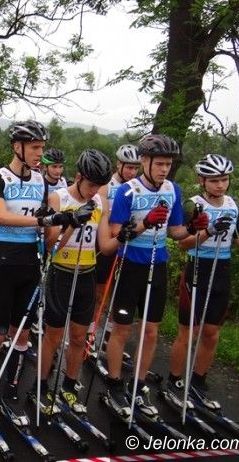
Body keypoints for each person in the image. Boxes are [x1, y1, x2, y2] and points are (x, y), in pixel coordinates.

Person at [105, 134, 208, 418]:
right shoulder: (127, 191)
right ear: (145, 161)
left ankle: (138, 385)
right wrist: (145, 222)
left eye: (168, 164)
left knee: (151, 331)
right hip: (130, 265)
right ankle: (114, 383)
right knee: (122, 329)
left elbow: (175, 232)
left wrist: (193, 228)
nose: (164, 169)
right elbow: (116, 232)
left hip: (157, 264)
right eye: (159, 163)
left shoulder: (173, 189)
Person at [35, 149, 137, 414]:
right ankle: (40, 386)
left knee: (80, 337)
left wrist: (123, 236)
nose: (94, 191)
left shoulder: (100, 203)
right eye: (91, 185)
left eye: (99, 186)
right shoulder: (58, 198)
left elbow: (105, 247)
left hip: (87, 274)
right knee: (54, 336)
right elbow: (51, 246)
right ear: (79, 177)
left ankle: (69, 385)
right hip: (61, 272)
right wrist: (72, 222)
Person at [166, 154, 239, 410]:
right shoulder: (193, 205)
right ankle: (174, 381)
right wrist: (208, 231)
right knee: (188, 332)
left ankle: (198, 381)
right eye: (214, 180)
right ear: (202, 181)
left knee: (211, 334)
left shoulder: (234, 206)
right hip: (197, 268)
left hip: (222, 270)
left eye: (224, 179)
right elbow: (183, 243)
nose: (220, 185)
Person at [0, 120, 54, 415]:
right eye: (34, 147)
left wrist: (57, 221)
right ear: (17, 147)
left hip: (30, 264)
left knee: (21, 333)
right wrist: (42, 220)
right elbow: (1, 216)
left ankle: (12, 384)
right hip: (3, 262)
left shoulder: (41, 180)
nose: (39, 153)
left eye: (42, 147)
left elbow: (45, 222)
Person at [91, 143, 141, 347]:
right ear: (119, 164)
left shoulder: (137, 187)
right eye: (129, 167)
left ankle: (110, 335)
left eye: (136, 168)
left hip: (127, 245)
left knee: (118, 294)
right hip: (105, 243)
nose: (132, 172)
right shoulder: (107, 185)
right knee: (99, 293)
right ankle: (89, 334)